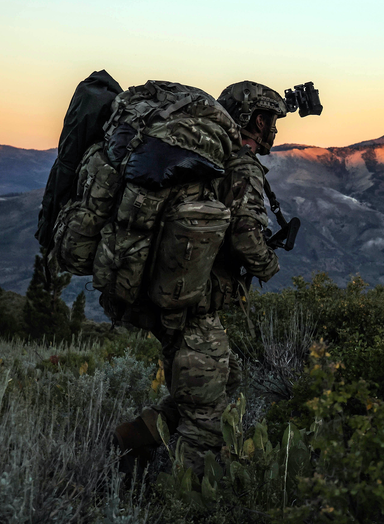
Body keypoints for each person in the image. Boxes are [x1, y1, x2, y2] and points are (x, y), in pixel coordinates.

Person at [113, 81, 286, 477]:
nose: (273, 129)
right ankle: (185, 513)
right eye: (271, 120)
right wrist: (267, 264)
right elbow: (245, 237)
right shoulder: (239, 164)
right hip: (192, 310)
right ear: (258, 120)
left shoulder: (208, 159)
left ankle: (131, 440)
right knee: (206, 422)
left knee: (225, 379)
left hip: (168, 299)